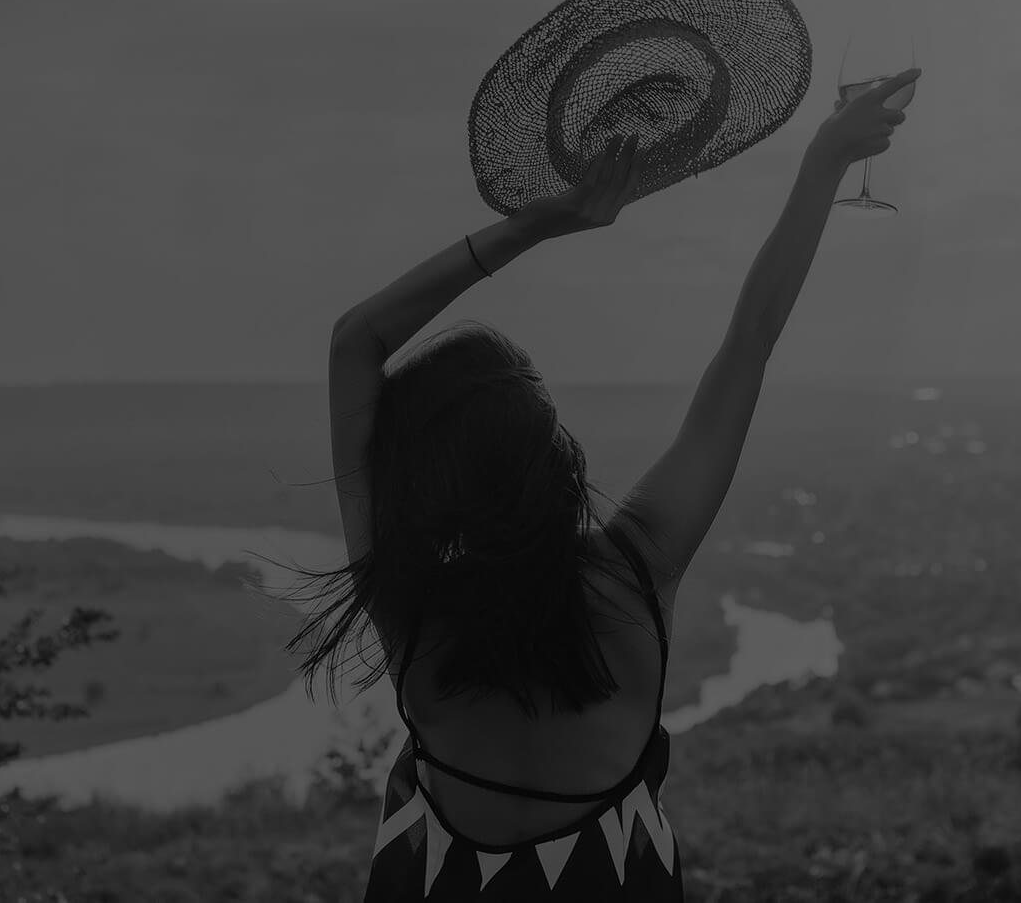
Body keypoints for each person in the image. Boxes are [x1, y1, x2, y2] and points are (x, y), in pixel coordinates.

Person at [300, 67, 920, 901]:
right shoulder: (636, 572)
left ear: (420, 482)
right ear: (554, 457)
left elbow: (355, 342)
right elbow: (748, 343)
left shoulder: (408, 608)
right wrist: (824, 162)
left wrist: (533, 225)